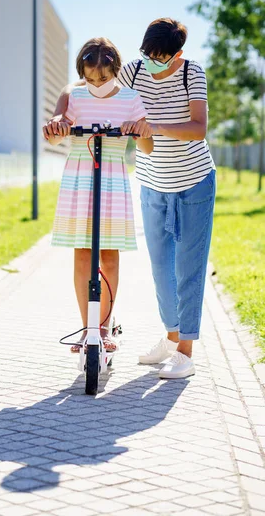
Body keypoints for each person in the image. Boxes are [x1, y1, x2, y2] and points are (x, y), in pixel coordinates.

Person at [45, 19, 216, 379]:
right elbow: (85, 84)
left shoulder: (192, 74)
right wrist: (61, 114)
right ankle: (169, 340)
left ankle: (185, 351)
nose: (151, 61)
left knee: (188, 265)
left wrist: (151, 128)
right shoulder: (133, 72)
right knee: (160, 268)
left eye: (160, 57)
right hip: (153, 181)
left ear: (177, 55)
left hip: (193, 179)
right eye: (147, 54)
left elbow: (199, 129)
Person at [43, 37, 153, 353]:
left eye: (102, 78)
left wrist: (141, 130)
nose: (96, 83)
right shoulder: (75, 96)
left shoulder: (132, 99)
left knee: (108, 255)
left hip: (114, 181)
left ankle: (103, 328)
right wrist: (55, 129)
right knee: (81, 254)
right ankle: (87, 328)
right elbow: (55, 135)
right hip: (79, 181)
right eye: (90, 78)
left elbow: (147, 147)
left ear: (114, 70)